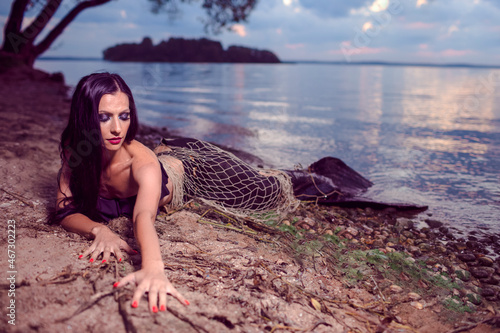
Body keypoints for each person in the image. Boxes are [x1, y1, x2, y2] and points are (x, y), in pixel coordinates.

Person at [53, 72, 189, 313]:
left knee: (261, 188)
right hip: (148, 161)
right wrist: (99, 230)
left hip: (176, 170)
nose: (117, 129)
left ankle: (170, 151)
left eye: (124, 116)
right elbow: (64, 210)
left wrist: (154, 268)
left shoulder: (143, 164)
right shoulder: (77, 150)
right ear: (85, 119)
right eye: (104, 117)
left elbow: (143, 216)